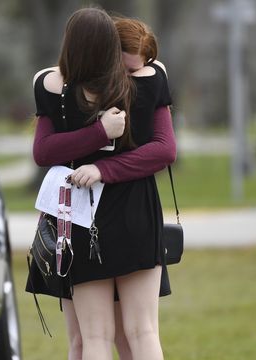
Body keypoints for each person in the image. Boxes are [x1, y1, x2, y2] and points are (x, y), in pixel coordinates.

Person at [26, 8, 174, 360]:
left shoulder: (50, 85)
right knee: (143, 331)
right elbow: (165, 149)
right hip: (136, 211)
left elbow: (43, 151)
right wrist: (103, 136)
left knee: (93, 338)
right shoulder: (149, 78)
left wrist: (98, 161)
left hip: (81, 215)